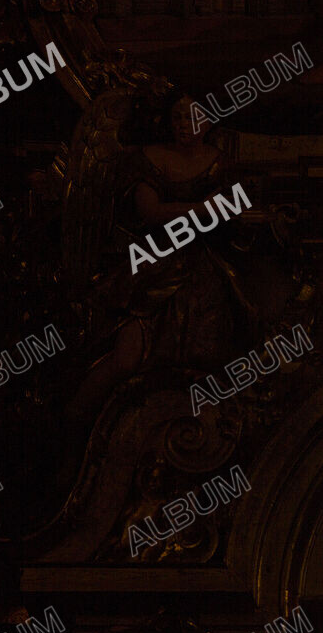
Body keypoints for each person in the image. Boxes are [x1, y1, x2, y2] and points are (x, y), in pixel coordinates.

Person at [60, 92, 257, 483]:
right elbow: (150, 211)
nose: (185, 125)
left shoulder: (221, 164)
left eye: (193, 117)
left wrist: (204, 211)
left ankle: (194, 450)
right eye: (178, 118)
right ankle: (70, 431)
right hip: (151, 267)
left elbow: (233, 211)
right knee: (127, 355)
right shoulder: (146, 159)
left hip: (202, 274)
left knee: (207, 358)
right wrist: (204, 209)